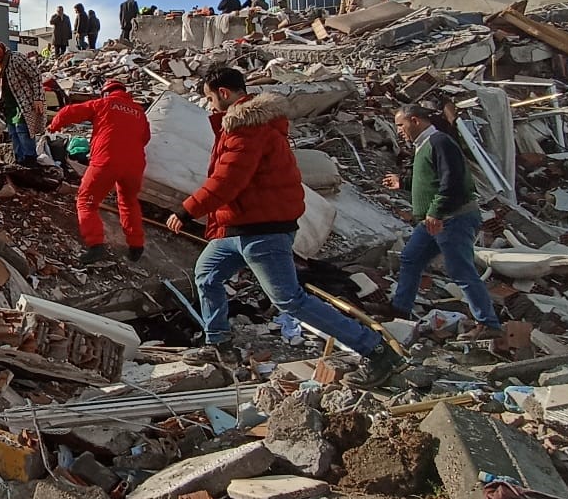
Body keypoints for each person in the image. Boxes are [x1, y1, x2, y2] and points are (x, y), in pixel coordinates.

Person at [166, 68, 403, 384]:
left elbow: (226, 181)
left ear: (224, 93)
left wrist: (185, 211)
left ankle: (375, 350)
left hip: (262, 230)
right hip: (238, 227)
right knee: (207, 274)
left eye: (210, 98)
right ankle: (218, 342)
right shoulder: (244, 127)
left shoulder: (246, 129)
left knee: (289, 300)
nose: (209, 106)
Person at [384, 104, 502, 339]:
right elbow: (431, 179)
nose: (398, 131)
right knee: (411, 258)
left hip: (452, 218)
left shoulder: (439, 142)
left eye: (400, 125)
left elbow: (452, 182)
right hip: (434, 219)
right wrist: (403, 182)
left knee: (461, 270)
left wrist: (436, 211)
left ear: (415, 120)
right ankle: (400, 310)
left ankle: (488, 324)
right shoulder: (424, 146)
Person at [49, 79, 150, 265]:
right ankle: (136, 245)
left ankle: (96, 245)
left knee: (86, 201)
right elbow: (145, 138)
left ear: (106, 92)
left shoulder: (103, 103)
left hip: (105, 161)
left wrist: (53, 126)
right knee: (129, 202)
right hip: (135, 165)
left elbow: (69, 112)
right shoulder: (139, 112)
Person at [0, 40, 44, 167]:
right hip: (9, 106)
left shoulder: (16, 59)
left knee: (22, 130)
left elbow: (35, 74)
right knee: (13, 133)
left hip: (23, 103)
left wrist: (38, 98)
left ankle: (30, 160)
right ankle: (20, 160)